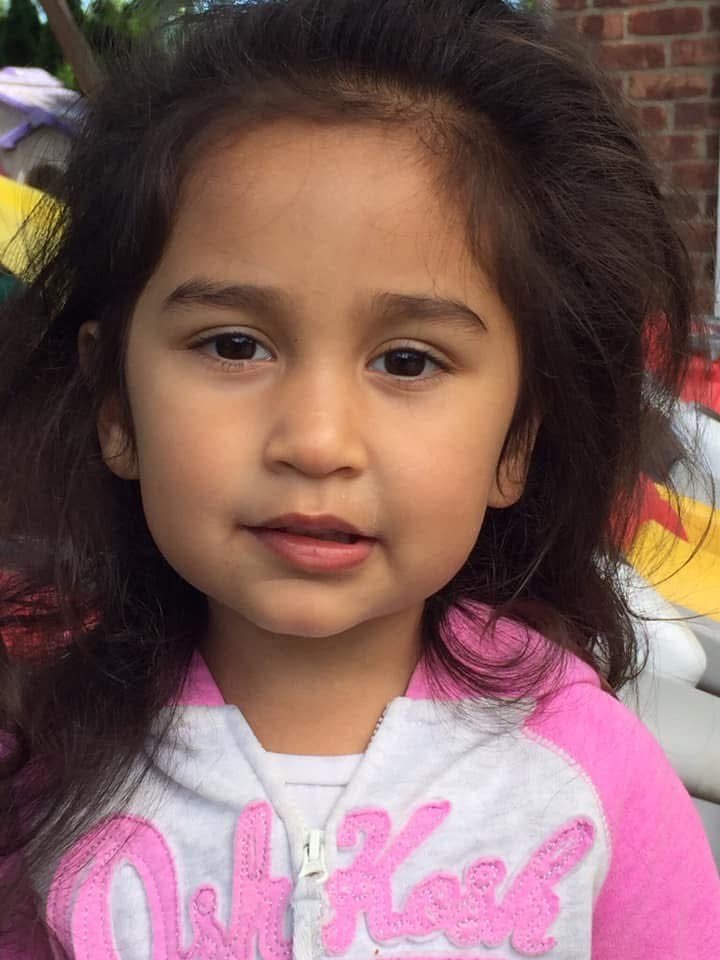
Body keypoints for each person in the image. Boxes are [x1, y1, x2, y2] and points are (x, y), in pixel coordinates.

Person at [0, 0, 718, 956]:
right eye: (234, 343)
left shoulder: (594, 781)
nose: (318, 440)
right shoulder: (44, 774)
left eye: (409, 361)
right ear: (117, 408)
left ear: (515, 443)